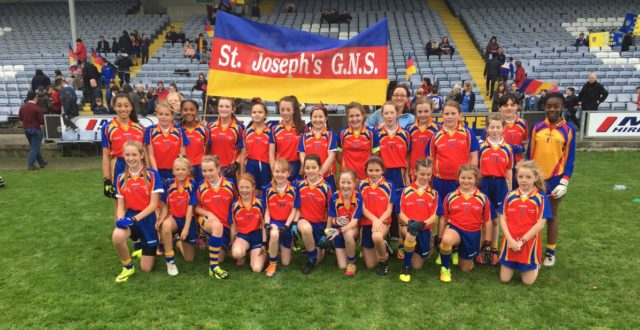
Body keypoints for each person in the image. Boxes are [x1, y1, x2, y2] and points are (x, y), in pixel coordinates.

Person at [526, 92, 576, 267]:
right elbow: (529, 155)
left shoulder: (569, 130)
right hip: (535, 180)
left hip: (555, 179)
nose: (552, 109)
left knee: (552, 216)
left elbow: (570, 158)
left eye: (556, 106)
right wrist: (526, 177)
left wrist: (565, 181)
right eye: (549, 106)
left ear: (562, 107)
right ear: (544, 107)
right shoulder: (537, 127)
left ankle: (550, 252)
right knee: (533, 217)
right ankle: (532, 252)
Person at [428, 101, 479, 263]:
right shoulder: (436, 135)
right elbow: (430, 159)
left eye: (452, 113)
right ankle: (442, 248)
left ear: (460, 115)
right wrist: (429, 181)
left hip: (460, 184)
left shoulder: (467, 133)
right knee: (441, 215)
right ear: (442, 115)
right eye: (446, 114)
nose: (449, 117)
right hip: (440, 181)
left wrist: (471, 180)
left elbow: (474, 158)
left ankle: (455, 249)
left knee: (457, 214)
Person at [111, 140, 164, 282]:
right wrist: (121, 219)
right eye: (127, 155)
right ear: (123, 156)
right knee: (117, 236)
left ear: (141, 155)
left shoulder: (152, 175)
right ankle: (128, 267)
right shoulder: (120, 177)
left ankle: (146, 247)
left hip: (148, 219)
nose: (130, 158)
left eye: (134, 154)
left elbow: (153, 205)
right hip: (130, 218)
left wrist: (133, 219)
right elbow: (121, 205)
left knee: (146, 269)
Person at [498, 160, 551, 285]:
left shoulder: (541, 198)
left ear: (535, 178)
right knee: (504, 279)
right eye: (520, 176)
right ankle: (513, 263)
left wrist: (522, 241)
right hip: (510, 242)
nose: (524, 180)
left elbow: (540, 224)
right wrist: (510, 240)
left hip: (528, 243)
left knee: (528, 282)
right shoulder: (509, 195)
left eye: (528, 177)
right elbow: (503, 218)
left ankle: (535, 264)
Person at [438, 164, 492, 282]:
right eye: (463, 178)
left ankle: (462, 253)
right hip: (455, 228)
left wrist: (488, 242)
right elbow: (443, 218)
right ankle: (445, 269)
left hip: (473, 233)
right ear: (458, 178)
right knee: (446, 240)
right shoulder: (450, 196)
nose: (466, 181)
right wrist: (440, 236)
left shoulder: (483, 198)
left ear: (476, 179)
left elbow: (487, 221)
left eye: (469, 178)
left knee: (465, 269)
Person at [477, 113, 514, 266]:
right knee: (483, 217)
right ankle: (481, 248)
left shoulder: (507, 148)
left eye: (498, 127)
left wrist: (510, 188)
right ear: (486, 128)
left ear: (503, 129)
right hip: (485, 183)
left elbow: (510, 169)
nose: (495, 130)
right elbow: (477, 168)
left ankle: (494, 248)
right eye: (492, 127)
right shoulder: (481, 147)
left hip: (500, 184)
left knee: (497, 219)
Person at [101, 94, 144, 221]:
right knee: (119, 203)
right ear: (113, 107)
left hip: (139, 167)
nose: (123, 109)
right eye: (119, 106)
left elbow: (145, 153)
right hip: (119, 166)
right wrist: (107, 180)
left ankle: (139, 235)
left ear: (131, 107)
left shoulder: (140, 128)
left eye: (126, 106)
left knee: (139, 200)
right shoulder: (107, 128)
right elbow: (105, 155)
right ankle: (120, 232)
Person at [398, 158, 439, 282]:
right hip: (408, 226)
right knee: (411, 234)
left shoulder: (434, 193)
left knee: (417, 266)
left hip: (425, 229)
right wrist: (410, 222)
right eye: (422, 174)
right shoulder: (406, 191)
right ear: (415, 172)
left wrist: (423, 224)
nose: (425, 177)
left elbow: (434, 216)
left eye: (428, 174)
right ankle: (406, 268)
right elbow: (401, 213)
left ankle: (413, 249)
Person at [195, 155, 235, 279]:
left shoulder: (230, 184)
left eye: (210, 170)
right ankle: (213, 268)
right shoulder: (200, 186)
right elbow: (196, 208)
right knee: (217, 227)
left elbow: (236, 205)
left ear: (218, 169)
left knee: (221, 257)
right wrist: (209, 214)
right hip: (208, 220)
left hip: (226, 224)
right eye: (204, 171)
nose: (207, 173)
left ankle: (180, 242)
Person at [157, 157, 198, 276]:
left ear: (189, 170)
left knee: (189, 259)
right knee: (166, 225)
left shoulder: (193, 184)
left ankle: (178, 243)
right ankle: (170, 262)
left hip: (188, 220)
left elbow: (191, 207)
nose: (180, 172)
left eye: (183, 169)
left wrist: (186, 228)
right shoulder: (169, 183)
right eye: (177, 169)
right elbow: (164, 205)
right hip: (174, 218)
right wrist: (162, 218)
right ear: (173, 171)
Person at [294, 154, 333, 274]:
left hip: (320, 226)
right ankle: (310, 258)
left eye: (313, 167)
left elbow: (331, 212)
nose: (310, 171)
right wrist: (295, 223)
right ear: (304, 169)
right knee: (306, 229)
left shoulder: (327, 188)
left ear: (319, 168)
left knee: (319, 259)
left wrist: (327, 232)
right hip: (304, 221)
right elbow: (296, 207)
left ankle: (322, 249)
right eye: (307, 168)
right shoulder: (298, 184)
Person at [263, 158, 297, 277]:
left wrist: (287, 225)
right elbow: (267, 209)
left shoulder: (294, 189)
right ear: (273, 172)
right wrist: (267, 223)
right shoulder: (267, 189)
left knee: (286, 262)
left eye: (283, 172)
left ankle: (284, 248)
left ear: (288, 173)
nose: (280, 174)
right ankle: (272, 263)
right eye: (277, 171)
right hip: (274, 222)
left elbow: (294, 210)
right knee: (274, 234)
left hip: (286, 225)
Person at [326, 170, 362, 276]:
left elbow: (355, 222)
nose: (345, 186)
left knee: (348, 233)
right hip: (338, 231)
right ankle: (343, 248)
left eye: (349, 182)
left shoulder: (359, 198)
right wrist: (333, 224)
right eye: (343, 182)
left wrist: (338, 231)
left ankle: (352, 263)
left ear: (354, 183)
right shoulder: (334, 197)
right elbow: (331, 218)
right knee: (341, 266)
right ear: (338, 182)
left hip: (350, 230)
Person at [229, 173, 267, 273]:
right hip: (243, 237)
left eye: (247, 187)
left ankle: (259, 255)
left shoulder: (260, 202)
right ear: (238, 187)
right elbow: (233, 225)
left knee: (257, 269)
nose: (244, 190)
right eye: (241, 187)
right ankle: (243, 254)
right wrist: (232, 243)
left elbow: (264, 226)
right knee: (236, 253)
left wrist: (264, 244)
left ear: (253, 187)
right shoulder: (234, 204)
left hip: (257, 238)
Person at [144, 101, 189, 183]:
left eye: (167, 114)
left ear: (172, 116)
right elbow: (150, 155)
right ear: (156, 115)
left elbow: (182, 155)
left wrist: (179, 170)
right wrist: (155, 172)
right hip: (157, 170)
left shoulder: (179, 131)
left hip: (175, 171)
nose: (163, 117)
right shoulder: (150, 130)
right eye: (160, 114)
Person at [298, 105, 337, 190]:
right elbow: (302, 154)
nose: (318, 120)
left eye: (320, 117)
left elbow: (331, 156)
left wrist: (319, 174)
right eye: (315, 117)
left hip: (327, 177)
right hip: (309, 176)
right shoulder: (305, 136)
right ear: (310, 118)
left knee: (328, 203)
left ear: (326, 119)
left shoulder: (330, 135)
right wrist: (309, 169)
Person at [337, 102, 379, 180]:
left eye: (358, 115)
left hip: (366, 178)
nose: (354, 119)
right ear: (347, 117)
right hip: (348, 178)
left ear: (363, 116)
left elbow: (376, 156)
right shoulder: (342, 133)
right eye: (351, 116)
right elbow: (339, 155)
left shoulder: (372, 134)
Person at [239, 99, 273, 193]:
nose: (257, 114)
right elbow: (243, 154)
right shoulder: (246, 132)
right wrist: (242, 172)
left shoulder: (270, 132)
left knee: (265, 191)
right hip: (251, 165)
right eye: (254, 112)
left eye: (260, 112)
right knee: (251, 190)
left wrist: (273, 172)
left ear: (265, 115)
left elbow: (272, 153)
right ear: (251, 114)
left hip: (265, 166)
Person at [270, 95, 306, 182]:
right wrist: (274, 169)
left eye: (288, 110)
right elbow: (271, 153)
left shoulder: (302, 128)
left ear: (294, 110)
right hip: (281, 167)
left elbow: (305, 150)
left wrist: (303, 166)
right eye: (282, 110)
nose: (285, 112)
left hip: (297, 167)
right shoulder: (274, 129)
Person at [207, 97, 244, 181]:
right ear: (217, 108)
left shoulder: (239, 128)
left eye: (227, 106)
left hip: (230, 170)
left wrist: (235, 165)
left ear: (233, 109)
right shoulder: (210, 125)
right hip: (213, 169)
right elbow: (206, 148)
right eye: (221, 106)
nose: (223, 109)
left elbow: (242, 150)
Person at [406, 98, 439, 182]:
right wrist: (407, 172)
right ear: (416, 112)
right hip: (415, 172)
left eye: (426, 111)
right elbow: (407, 153)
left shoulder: (439, 128)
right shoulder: (409, 129)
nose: (423, 114)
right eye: (420, 112)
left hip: (432, 173)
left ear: (431, 110)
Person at [499, 94, 528, 177]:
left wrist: (522, 149)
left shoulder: (523, 123)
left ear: (517, 106)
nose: (509, 108)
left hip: (518, 165)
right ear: (499, 107)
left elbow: (525, 143)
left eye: (512, 105)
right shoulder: (494, 124)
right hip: (500, 165)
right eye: (505, 105)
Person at [18, 91, 47, 170]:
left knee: (34, 146)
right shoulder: (38, 108)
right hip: (36, 129)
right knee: (34, 147)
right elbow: (41, 124)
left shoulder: (22, 107)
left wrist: (25, 127)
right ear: (35, 97)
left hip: (27, 129)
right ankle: (30, 165)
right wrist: (42, 132)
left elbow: (20, 121)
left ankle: (42, 162)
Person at [181, 100, 208, 182]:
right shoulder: (178, 130)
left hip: (200, 168)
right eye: (185, 110)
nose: (189, 112)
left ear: (197, 112)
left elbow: (208, 150)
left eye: (192, 110)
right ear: (181, 112)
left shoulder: (204, 130)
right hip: (184, 168)